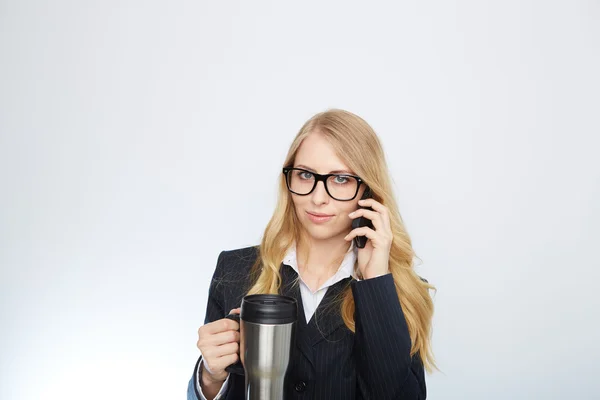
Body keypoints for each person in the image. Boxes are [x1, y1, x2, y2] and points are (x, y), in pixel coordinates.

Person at [186, 109, 436, 400]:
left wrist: (375, 280)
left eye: (340, 179)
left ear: (367, 190)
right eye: (305, 175)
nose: (318, 198)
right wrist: (209, 376)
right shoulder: (234, 270)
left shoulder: (400, 291)